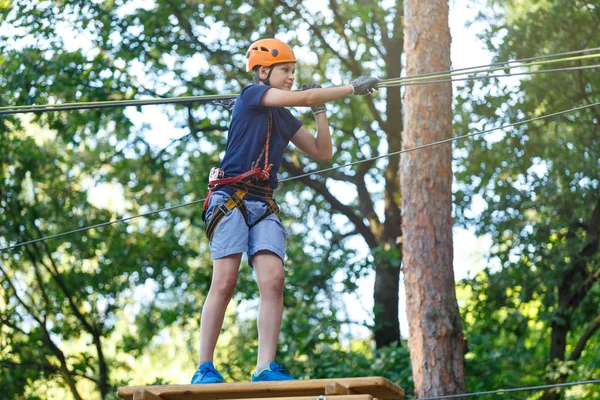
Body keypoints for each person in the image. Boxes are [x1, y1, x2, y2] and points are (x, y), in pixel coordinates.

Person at [191, 38, 379, 384]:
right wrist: (350, 88)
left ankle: (265, 367)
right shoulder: (250, 95)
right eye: (285, 70)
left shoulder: (284, 116)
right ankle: (204, 366)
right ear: (264, 72)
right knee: (226, 279)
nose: (292, 76)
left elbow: (322, 152)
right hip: (231, 198)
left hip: (263, 202)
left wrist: (320, 111)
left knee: (274, 280)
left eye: (294, 71)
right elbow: (306, 96)